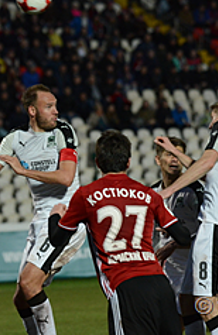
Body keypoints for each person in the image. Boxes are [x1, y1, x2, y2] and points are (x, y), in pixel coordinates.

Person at [0, 84, 87, 335]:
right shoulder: (15, 139)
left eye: (56, 106)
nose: (56, 112)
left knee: (29, 283)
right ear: (32, 110)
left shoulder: (63, 132)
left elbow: (66, 177)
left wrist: (24, 171)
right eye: (49, 107)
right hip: (40, 221)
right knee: (20, 298)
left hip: (64, 218)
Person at [47, 130, 192, 335]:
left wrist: (55, 216)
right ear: (128, 162)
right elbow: (184, 237)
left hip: (124, 286)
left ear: (98, 162)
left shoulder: (86, 195)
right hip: (160, 284)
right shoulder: (148, 194)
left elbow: (57, 239)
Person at [154, 97, 218, 335]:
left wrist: (168, 191)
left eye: (212, 119)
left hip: (217, 224)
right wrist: (172, 150)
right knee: (188, 301)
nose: (210, 126)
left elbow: (208, 162)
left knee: (205, 302)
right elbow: (209, 171)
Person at [151, 136, 205, 334]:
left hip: (192, 264)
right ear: (158, 160)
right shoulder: (152, 192)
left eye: (177, 155)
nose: (174, 160)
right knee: (167, 320)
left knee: (192, 314)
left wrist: (176, 243)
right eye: (168, 154)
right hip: (165, 268)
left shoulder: (196, 190)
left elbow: (205, 231)